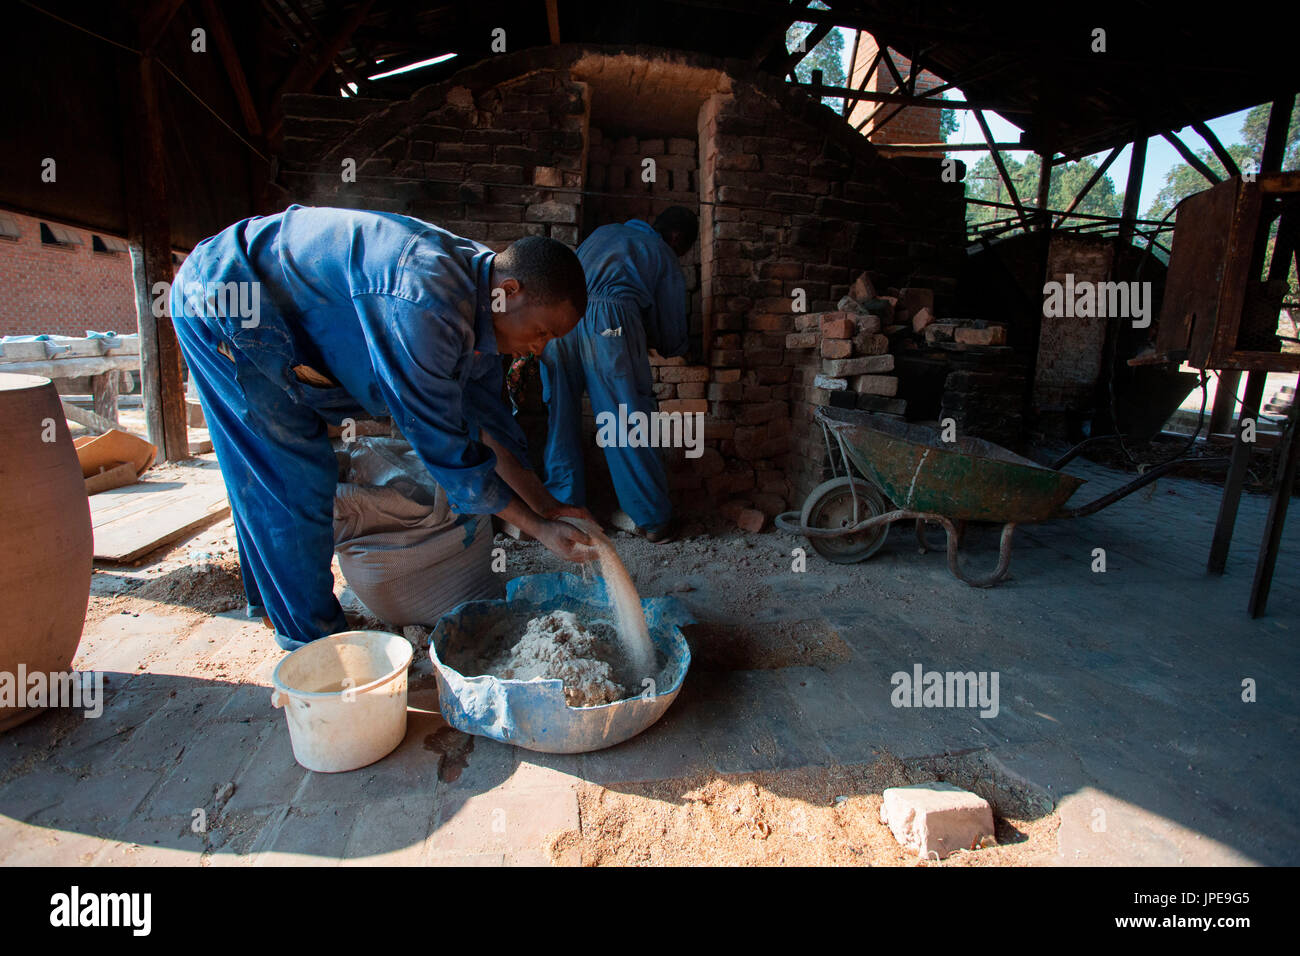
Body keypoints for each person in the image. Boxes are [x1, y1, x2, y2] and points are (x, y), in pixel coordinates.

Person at [171, 205, 596, 650]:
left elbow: (488, 428)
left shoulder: (482, 307)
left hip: (282, 320)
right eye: (543, 331)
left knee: (283, 472)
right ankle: (314, 649)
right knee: (291, 476)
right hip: (228, 297)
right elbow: (448, 453)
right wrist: (538, 530)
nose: (539, 348)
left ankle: (275, 602)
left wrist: (546, 509)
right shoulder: (426, 302)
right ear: (509, 291)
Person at [539, 206, 698, 543]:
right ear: (675, 238)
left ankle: (566, 511)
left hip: (558, 320)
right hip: (608, 324)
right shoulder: (660, 252)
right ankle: (653, 518)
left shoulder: (603, 232)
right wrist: (680, 346)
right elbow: (670, 332)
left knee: (560, 417)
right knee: (626, 421)